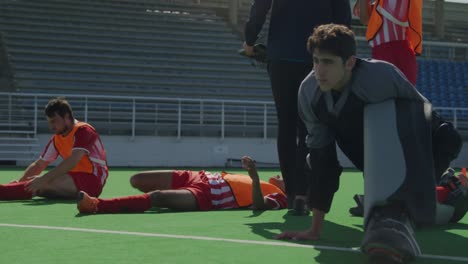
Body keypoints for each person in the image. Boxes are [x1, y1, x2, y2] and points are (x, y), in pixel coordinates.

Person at [275, 24, 463, 263]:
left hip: (404, 145)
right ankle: (392, 201)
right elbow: (324, 162)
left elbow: (425, 120)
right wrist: (315, 229)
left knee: (449, 136)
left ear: (350, 63)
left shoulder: (382, 76)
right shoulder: (308, 92)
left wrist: (416, 182)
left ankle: (427, 197)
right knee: (315, 156)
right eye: (316, 61)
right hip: (365, 151)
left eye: (329, 62)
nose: (319, 70)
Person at [242, 0, 352, 215]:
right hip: (317, 59)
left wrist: (249, 39)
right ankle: (305, 192)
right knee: (311, 126)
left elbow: (260, 8)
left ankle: (293, 194)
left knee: (287, 124)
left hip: (282, 54)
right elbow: (343, 20)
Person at [77, 156, 287, 214]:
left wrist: (254, 175)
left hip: (208, 195)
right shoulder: (272, 185)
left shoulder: (281, 197)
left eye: (286, 177)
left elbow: (259, 206)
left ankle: (97, 205)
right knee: (137, 179)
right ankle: (140, 200)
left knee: (158, 197)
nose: (280, 174)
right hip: (198, 176)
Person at [0, 97, 109, 200]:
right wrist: (20, 181)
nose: (51, 126)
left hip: (93, 180)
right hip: (73, 179)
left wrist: (43, 179)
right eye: (49, 122)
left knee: (44, 183)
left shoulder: (84, 131)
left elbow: (72, 161)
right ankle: (10, 191)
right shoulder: (57, 138)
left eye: (54, 121)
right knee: (38, 185)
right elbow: (39, 164)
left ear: (66, 117)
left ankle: (5, 191)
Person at [353, 0, 422, 85]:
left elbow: (365, 18)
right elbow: (365, 19)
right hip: (386, 52)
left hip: (396, 52)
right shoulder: (381, 4)